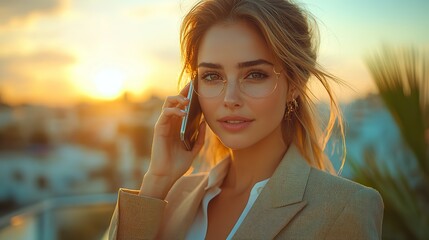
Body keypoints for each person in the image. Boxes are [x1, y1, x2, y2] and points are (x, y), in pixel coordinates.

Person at [107, 0, 384, 239]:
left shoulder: (345, 207)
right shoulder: (175, 194)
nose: (230, 98)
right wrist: (157, 178)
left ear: (295, 85)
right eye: (212, 76)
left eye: (255, 75)